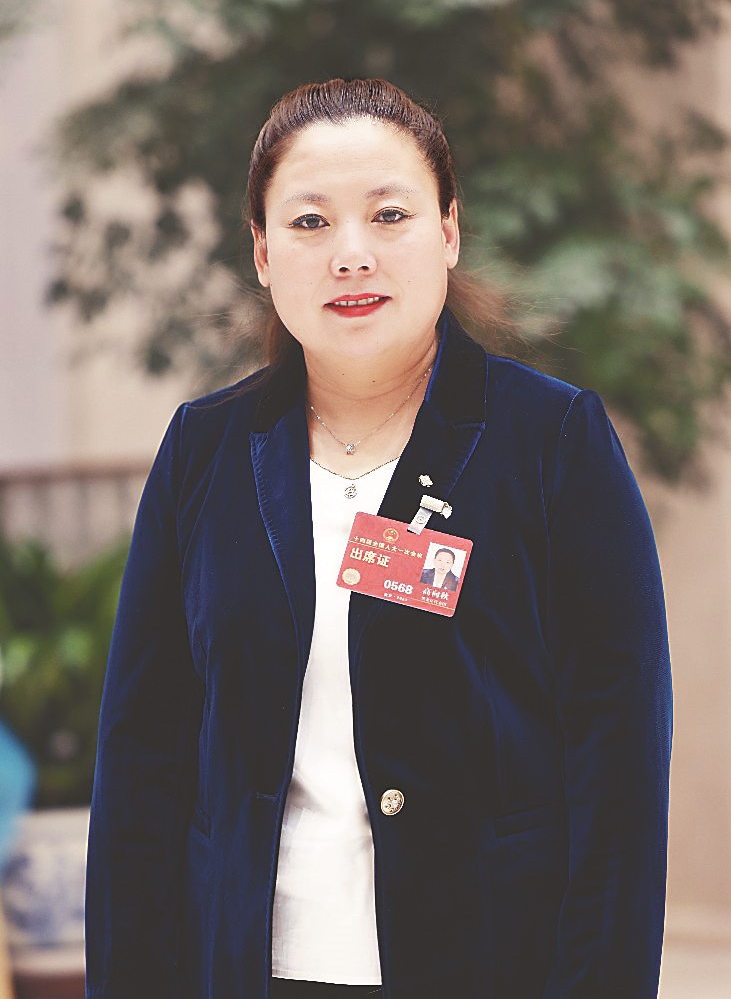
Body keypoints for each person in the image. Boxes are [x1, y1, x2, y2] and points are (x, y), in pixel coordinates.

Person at [85, 78, 672, 999]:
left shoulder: (550, 442)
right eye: (310, 223)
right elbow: (141, 756)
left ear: (448, 232)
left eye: (389, 215)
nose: (350, 255)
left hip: (488, 966)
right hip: (248, 968)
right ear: (263, 253)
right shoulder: (206, 449)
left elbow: (619, 768)